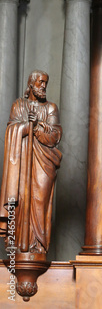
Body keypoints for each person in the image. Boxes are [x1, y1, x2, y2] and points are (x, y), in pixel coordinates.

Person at [0, 70, 62, 254]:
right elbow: (11, 131)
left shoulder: (51, 108)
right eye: (40, 82)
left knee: (39, 201)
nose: (43, 86)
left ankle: (37, 246)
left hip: (44, 162)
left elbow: (55, 136)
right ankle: (19, 246)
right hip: (20, 165)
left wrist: (36, 129)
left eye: (46, 83)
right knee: (20, 201)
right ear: (31, 84)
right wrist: (27, 126)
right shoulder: (19, 106)